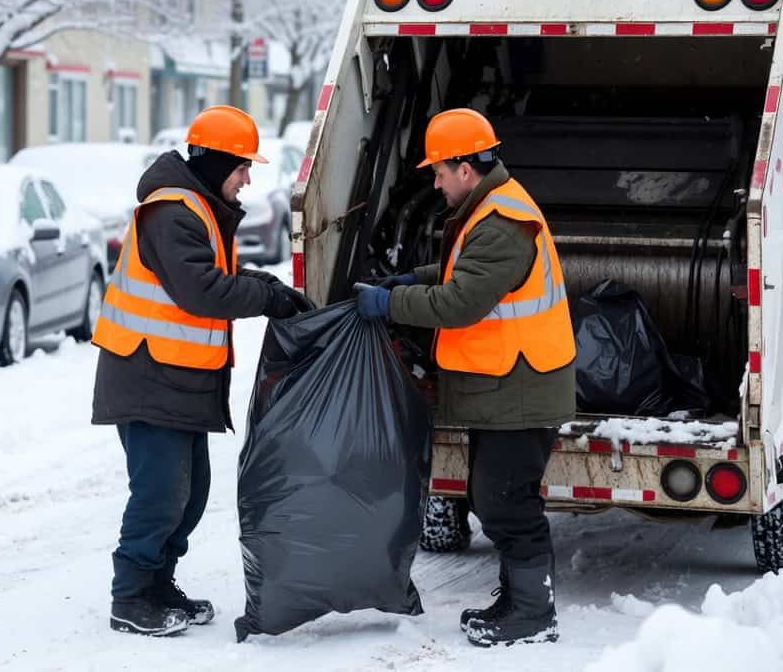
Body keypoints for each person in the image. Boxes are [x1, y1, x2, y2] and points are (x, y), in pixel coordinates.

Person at [356, 108, 576, 648]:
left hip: (520, 385)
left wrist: (391, 301)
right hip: (504, 383)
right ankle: (517, 598)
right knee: (493, 495)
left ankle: (533, 612)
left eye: (438, 172)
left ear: (465, 168)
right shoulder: (489, 209)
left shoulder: (502, 220)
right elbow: (463, 271)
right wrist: (413, 277)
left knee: (505, 502)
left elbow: (462, 300)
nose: (434, 182)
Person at [91, 105, 308, 637]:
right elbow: (200, 290)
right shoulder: (173, 211)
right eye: (241, 167)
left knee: (189, 494)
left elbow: (216, 273)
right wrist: (268, 300)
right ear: (215, 162)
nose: (248, 178)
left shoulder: (200, 207)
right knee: (161, 493)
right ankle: (131, 595)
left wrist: (269, 286)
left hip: (179, 377)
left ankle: (159, 583)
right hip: (147, 373)